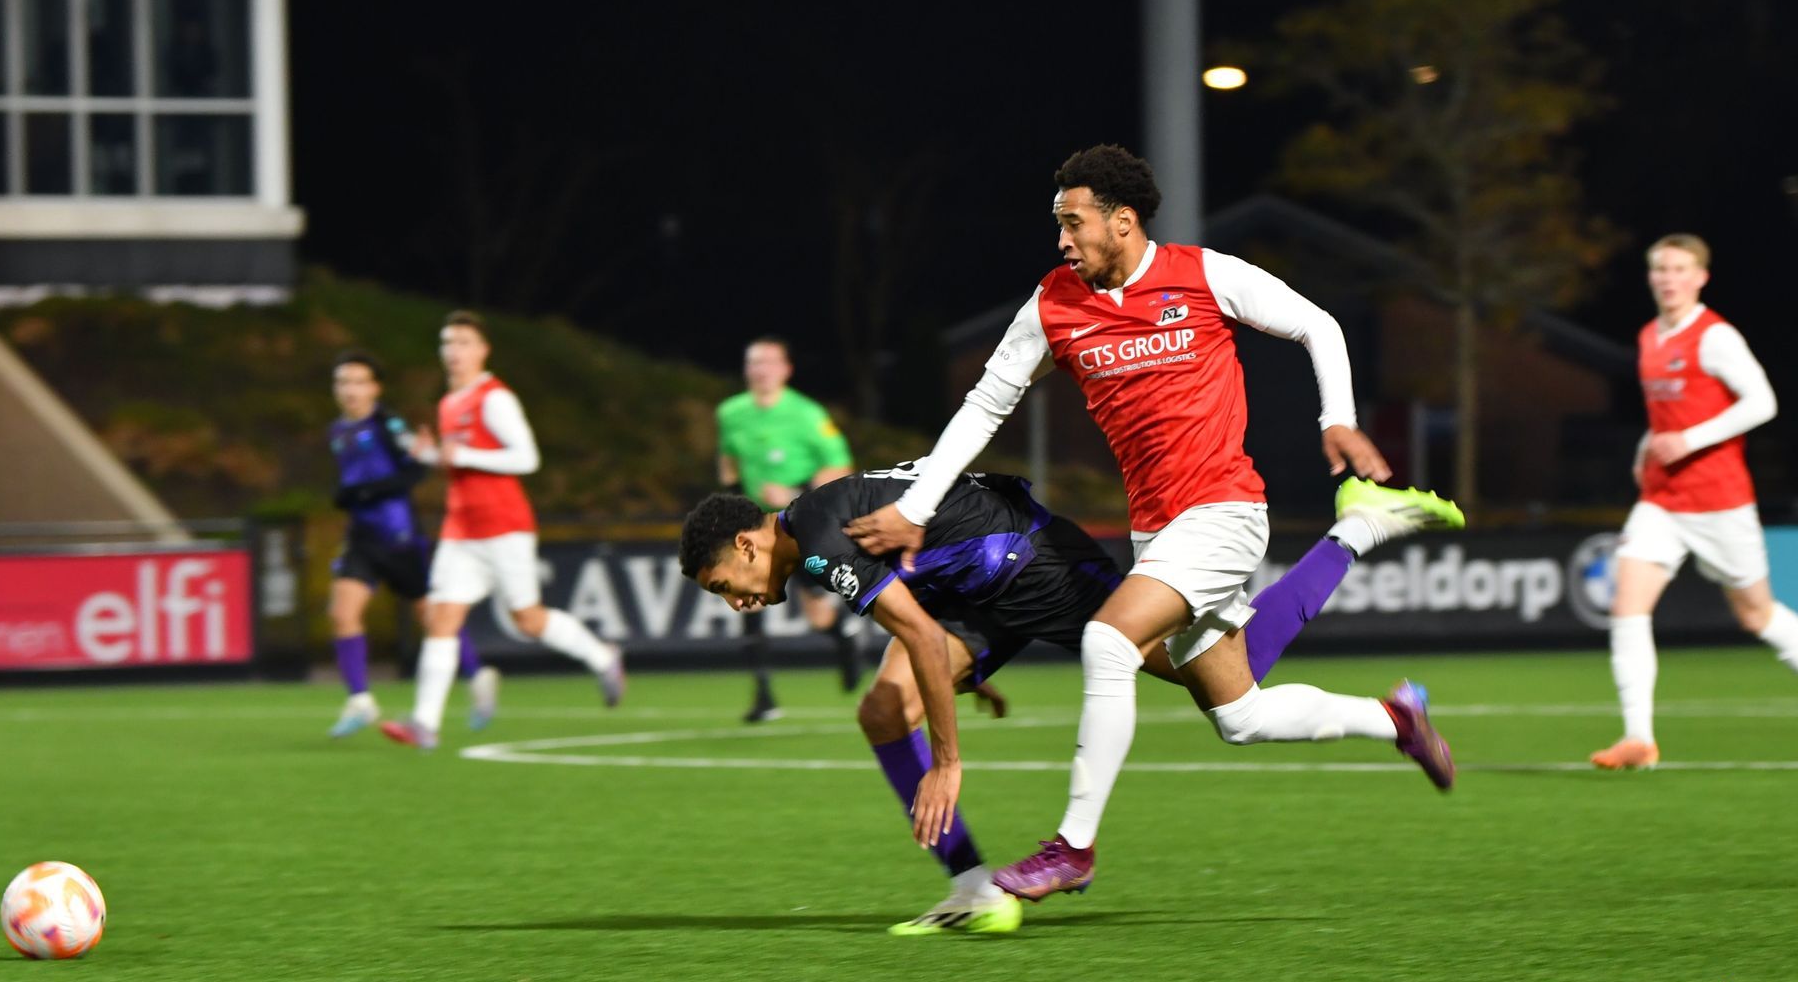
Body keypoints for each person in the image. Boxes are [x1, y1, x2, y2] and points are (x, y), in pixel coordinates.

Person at [847, 144, 1459, 903]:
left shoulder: (1202, 274)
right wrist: (916, 507)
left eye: (1073, 223)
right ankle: (1397, 717)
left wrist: (1337, 418)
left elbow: (1318, 325)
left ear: (1123, 221)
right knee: (1241, 715)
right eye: (1059, 225)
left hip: (1226, 511)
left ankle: (1072, 848)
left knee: (1109, 641)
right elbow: (984, 407)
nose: (1062, 240)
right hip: (1158, 533)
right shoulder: (1053, 304)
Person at [681, 459, 1461, 934]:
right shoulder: (816, 527)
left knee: (1234, 685)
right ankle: (973, 890)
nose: (736, 603)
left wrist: (947, 760)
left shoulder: (818, 541)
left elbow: (918, 634)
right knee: (883, 710)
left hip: (1035, 566)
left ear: (748, 544)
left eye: (725, 585)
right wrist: (965, 673)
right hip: (983, 588)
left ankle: (1359, 531)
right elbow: (925, 610)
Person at [1592, 234, 1793, 770]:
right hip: (1661, 499)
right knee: (1627, 606)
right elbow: (1668, 415)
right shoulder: (1649, 334)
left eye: (1680, 269)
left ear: (1701, 277)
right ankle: (1638, 739)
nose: (1668, 278)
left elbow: (1763, 402)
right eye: (1660, 268)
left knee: (1756, 615)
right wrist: (1648, 444)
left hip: (1718, 501)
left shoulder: (1715, 337)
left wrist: (1690, 440)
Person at [380, 312, 625, 749]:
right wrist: (432, 457)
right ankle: (424, 724)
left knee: (528, 620)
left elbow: (527, 458)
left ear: (483, 350)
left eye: (463, 343)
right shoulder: (448, 402)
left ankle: (602, 656)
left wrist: (464, 456)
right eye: (447, 343)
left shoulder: (495, 399)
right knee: (441, 618)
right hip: (461, 530)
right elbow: (460, 463)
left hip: (504, 527)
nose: (454, 351)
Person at [322, 352, 497, 739]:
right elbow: (353, 480)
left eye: (358, 382)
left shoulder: (388, 424)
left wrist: (365, 491)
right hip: (362, 539)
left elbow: (416, 468)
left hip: (400, 538)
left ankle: (477, 676)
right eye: (343, 382)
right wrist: (347, 495)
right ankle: (360, 701)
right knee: (341, 612)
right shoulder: (336, 431)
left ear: (375, 388)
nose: (350, 390)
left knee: (433, 619)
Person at [717, 337, 862, 721]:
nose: (761, 369)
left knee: (817, 614)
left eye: (769, 362)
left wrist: (796, 490)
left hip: (800, 523)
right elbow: (729, 460)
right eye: (754, 362)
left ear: (786, 370)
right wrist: (732, 499)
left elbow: (841, 467)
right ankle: (764, 696)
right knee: (747, 600)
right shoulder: (731, 412)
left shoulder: (808, 414)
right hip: (754, 526)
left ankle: (844, 636)